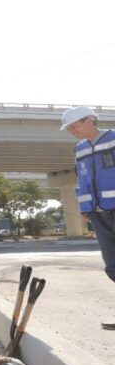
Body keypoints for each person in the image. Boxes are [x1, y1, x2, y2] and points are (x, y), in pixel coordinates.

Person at [61, 106, 115, 330]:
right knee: (112, 265)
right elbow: (82, 179)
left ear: (90, 120)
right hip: (97, 213)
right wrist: (85, 207)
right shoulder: (80, 149)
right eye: (69, 128)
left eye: (75, 125)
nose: (73, 131)